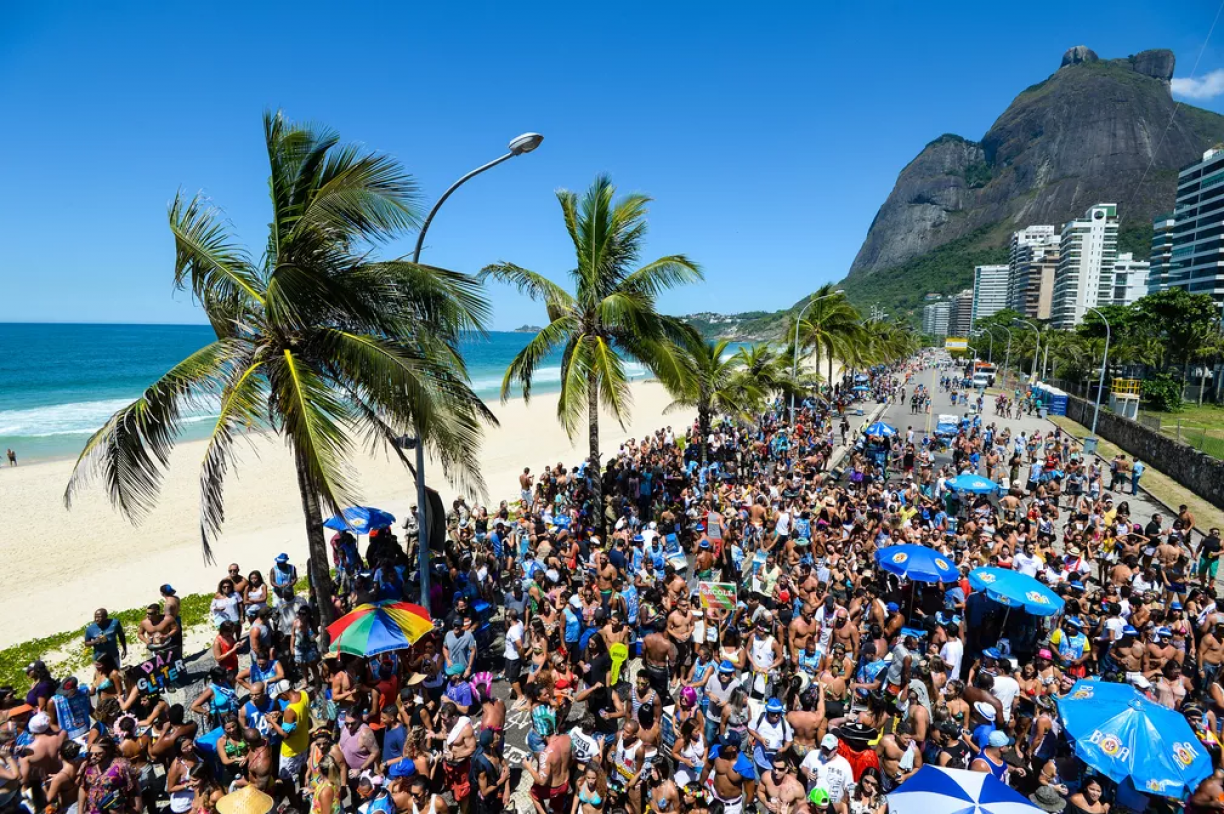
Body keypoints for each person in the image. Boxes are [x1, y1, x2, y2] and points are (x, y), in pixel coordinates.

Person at [78, 737, 141, 814]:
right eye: (92, 753)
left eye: (98, 753)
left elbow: (134, 786)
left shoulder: (121, 765)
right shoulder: (88, 765)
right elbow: (82, 787)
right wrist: (80, 811)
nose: (93, 756)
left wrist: (137, 807)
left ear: (108, 751)